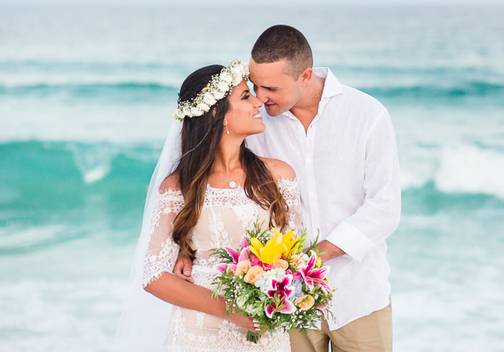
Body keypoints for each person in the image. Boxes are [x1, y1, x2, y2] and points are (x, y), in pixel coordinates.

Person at [175, 25, 401, 352]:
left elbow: (385, 208)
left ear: (305, 76)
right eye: (254, 86)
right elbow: (211, 177)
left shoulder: (367, 116)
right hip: (283, 304)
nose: (260, 97)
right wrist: (186, 243)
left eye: (270, 88)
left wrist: (313, 258)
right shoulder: (258, 122)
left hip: (359, 295)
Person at [119, 60, 302, 352]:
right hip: (197, 332)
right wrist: (230, 310)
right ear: (218, 113)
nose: (258, 102)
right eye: (245, 96)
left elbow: (297, 258)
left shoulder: (279, 176)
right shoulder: (179, 187)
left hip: (263, 332)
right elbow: (154, 275)